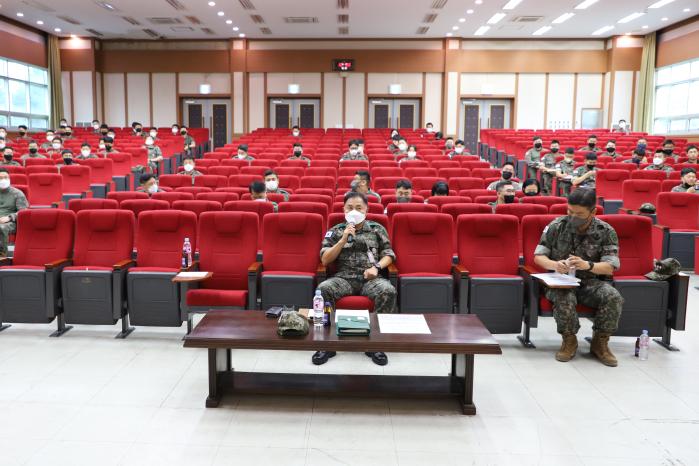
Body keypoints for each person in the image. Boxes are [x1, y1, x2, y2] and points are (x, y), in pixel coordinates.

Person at [533, 188, 623, 367]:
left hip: (590, 282)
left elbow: (610, 266)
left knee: (613, 297)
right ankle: (569, 340)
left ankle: (600, 342)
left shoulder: (605, 231)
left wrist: (587, 265)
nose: (573, 216)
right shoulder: (557, 226)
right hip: (560, 282)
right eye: (570, 211)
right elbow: (538, 256)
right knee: (564, 297)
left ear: (593, 211)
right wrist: (554, 265)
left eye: (579, 214)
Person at [313, 191, 396, 366]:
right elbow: (325, 259)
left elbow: (389, 255)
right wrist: (343, 239)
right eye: (350, 207)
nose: (354, 211)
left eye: (359, 208)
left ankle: (376, 344)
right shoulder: (335, 231)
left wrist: (377, 267)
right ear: (343, 209)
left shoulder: (376, 229)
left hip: (370, 278)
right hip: (344, 279)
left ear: (366, 209)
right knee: (323, 289)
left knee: (388, 290)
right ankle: (326, 345)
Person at [0, 168, 29, 257]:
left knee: (1, 227)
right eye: (0, 178)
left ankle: (2, 254)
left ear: (9, 179)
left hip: (10, 222)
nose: (3, 180)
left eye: (6, 177)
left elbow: (23, 212)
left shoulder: (17, 193)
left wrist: (9, 217)